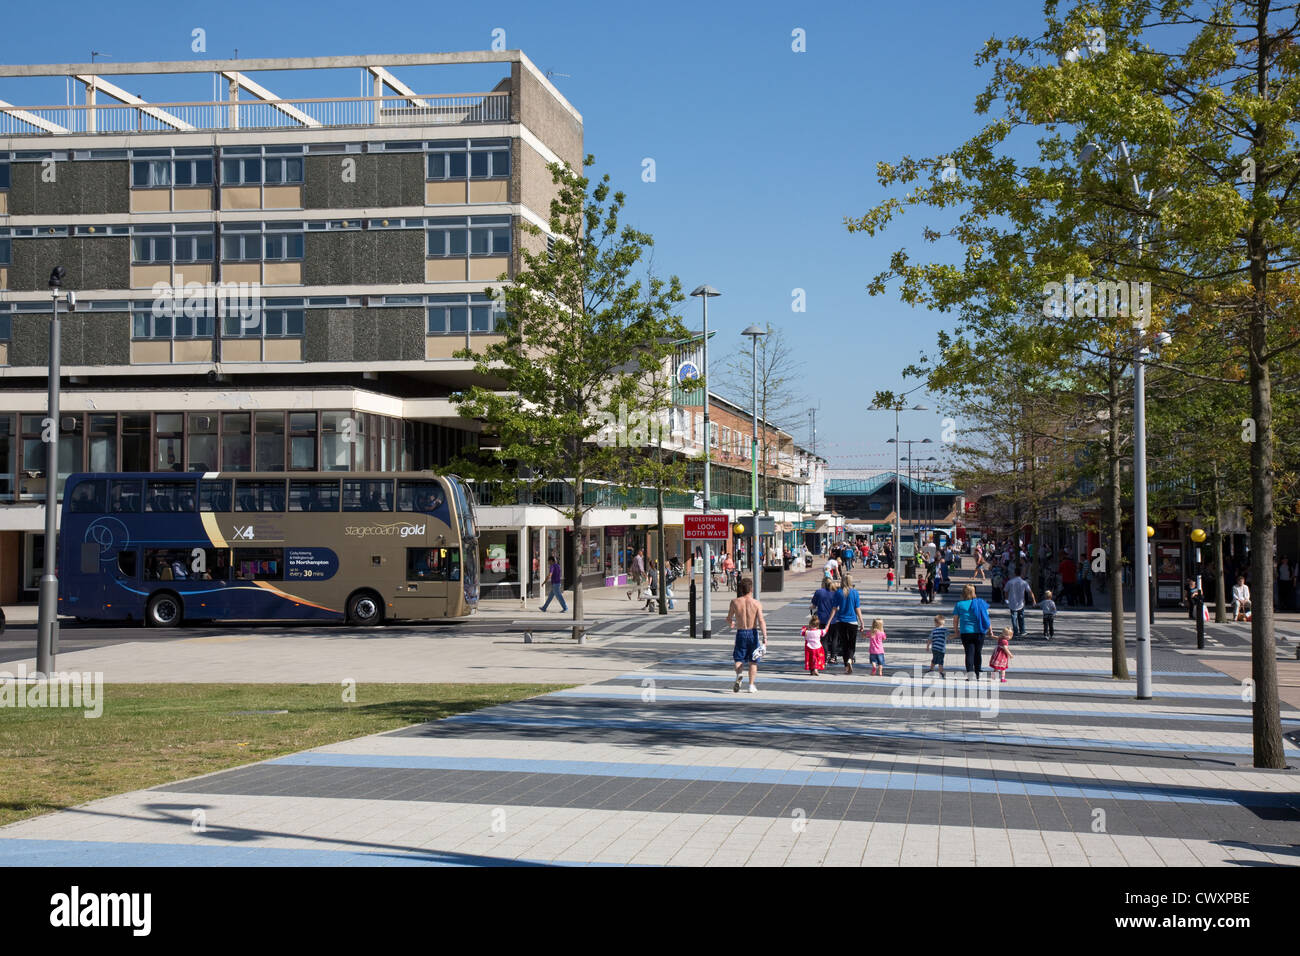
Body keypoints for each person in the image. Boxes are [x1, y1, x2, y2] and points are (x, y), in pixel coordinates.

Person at [725, 576, 767, 694]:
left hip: (741, 632)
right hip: (752, 633)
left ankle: (739, 674)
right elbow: (761, 621)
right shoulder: (756, 603)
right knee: (753, 660)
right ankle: (751, 685)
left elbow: (729, 618)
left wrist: (731, 622)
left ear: (741, 589)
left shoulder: (734, 602)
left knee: (738, 658)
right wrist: (765, 637)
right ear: (751, 589)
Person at [952, 583, 992, 681]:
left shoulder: (959, 604)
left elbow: (955, 620)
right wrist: (990, 630)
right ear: (973, 592)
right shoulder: (981, 603)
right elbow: (986, 618)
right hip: (980, 631)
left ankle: (970, 675)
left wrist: (956, 631)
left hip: (966, 632)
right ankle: (978, 673)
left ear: (964, 592)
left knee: (969, 653)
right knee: (978, 652)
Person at [831, 573, 864, 675]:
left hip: (840, 621)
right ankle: (850, 659)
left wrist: (829, 621)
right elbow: (857, 608)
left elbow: (834, 608)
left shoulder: (838, 592)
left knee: (844, 644)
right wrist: (862, 621)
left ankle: (846, 666)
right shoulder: (855, 593)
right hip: (852, 621)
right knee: (851, 643)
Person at [810, 576, 840, 663]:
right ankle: (833, 657)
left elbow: (814, 605)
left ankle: (825, 657)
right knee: (835, 638)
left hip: (822, 618)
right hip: (834, 618)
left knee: (824, 639)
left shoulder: (819, 592)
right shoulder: (836, 592)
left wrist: (810, 607)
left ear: (823, 583)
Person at [1004, 566, 1036, 639]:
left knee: (1014, 617)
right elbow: (1030, 592)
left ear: (1015, 573)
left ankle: (1015, 631)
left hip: (1012, 602)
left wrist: (1006, 599)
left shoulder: (1010, 582)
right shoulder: (1024, 582)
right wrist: (1034, 600)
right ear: (1021, 573)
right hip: (1021, 602)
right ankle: (1022, 630)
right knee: (1021, 617)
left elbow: (1005, 591)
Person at [802, 612, 826, 677]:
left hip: (809, 647)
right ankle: (816, 669)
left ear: (810, 624)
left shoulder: (807, 632)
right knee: (817, 658)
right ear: (818, 625)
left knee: (810, 659)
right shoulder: (819, 631)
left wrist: (806, 627)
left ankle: (812, 670)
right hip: (818, 647)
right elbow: (825, 631)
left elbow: (802, 631)